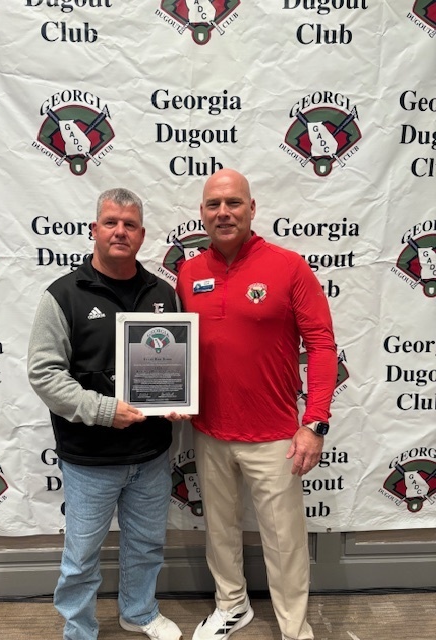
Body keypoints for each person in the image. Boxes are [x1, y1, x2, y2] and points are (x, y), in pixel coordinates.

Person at [175, 169, 338, 640]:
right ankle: (232, 605)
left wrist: (315, 422)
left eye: (233, 203)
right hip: (209, 431)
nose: (223, 212)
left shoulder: (289, 266)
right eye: (213, 204)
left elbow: (322, 346)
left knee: (285, 541)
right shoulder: (188, 273)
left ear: (252, 208)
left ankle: (293, 628)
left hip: (275, 436)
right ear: (202, 213)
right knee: (219, 531)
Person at [27, 188, 182, 640]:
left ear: (142, 235)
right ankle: (79, 629)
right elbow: (43, 374)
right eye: (111, 222)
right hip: (89, 460)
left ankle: (140, 612)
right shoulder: (63, 295)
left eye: (129, 224)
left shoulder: (163, 293)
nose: (120, 231)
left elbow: (174, 363)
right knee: (81, 557)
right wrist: (101, 410)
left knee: (147, 546)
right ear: (94, 230)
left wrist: (177, 399)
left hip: (151, 455)